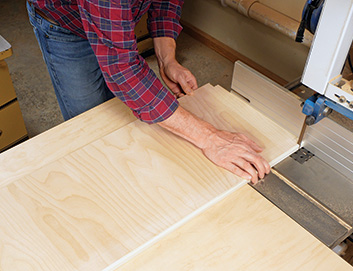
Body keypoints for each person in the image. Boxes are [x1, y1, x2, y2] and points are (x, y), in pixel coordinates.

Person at [26, 0, 270, 184]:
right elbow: (122, 69)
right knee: (90, 126)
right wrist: (209, 137)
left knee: (127, 125)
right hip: (66, 25)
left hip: (109, 16)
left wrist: (167, 59)